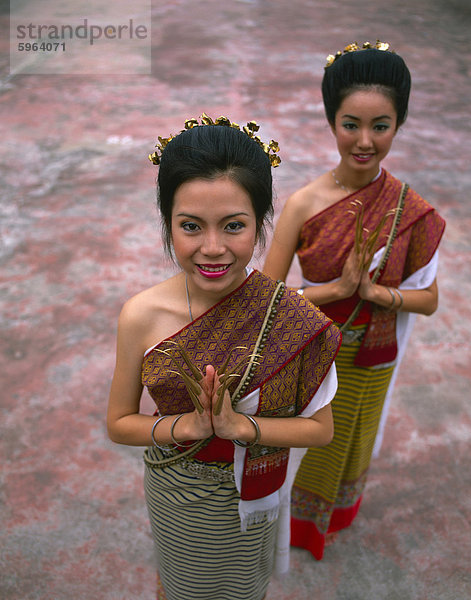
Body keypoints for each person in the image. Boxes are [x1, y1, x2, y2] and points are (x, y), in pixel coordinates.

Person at [106, 114, 341, 600]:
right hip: (177, 492)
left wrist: (241, 429)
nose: (212, 249)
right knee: (182, 585)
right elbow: (120, 423)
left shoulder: (289, 315)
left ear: (260, 225)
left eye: (234, 226)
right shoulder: (142, 315)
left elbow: (320, 429)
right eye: (191, 226)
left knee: (242, 589)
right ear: (168, 223)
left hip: (254, 492)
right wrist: (187, 427)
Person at [263, 41, 446, 560]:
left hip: (373, 358)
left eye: (381, 126)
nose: (364, 141)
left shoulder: (411, 209)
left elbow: (429, 300)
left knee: (354, 439)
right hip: (316, 354)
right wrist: (338, 291)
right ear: (331, 119)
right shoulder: (303, 203)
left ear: (398, 123)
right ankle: (291, 531)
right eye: (350, 124)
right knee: (308, 448)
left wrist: (377, 294)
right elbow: (267, 299)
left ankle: (332, 519)